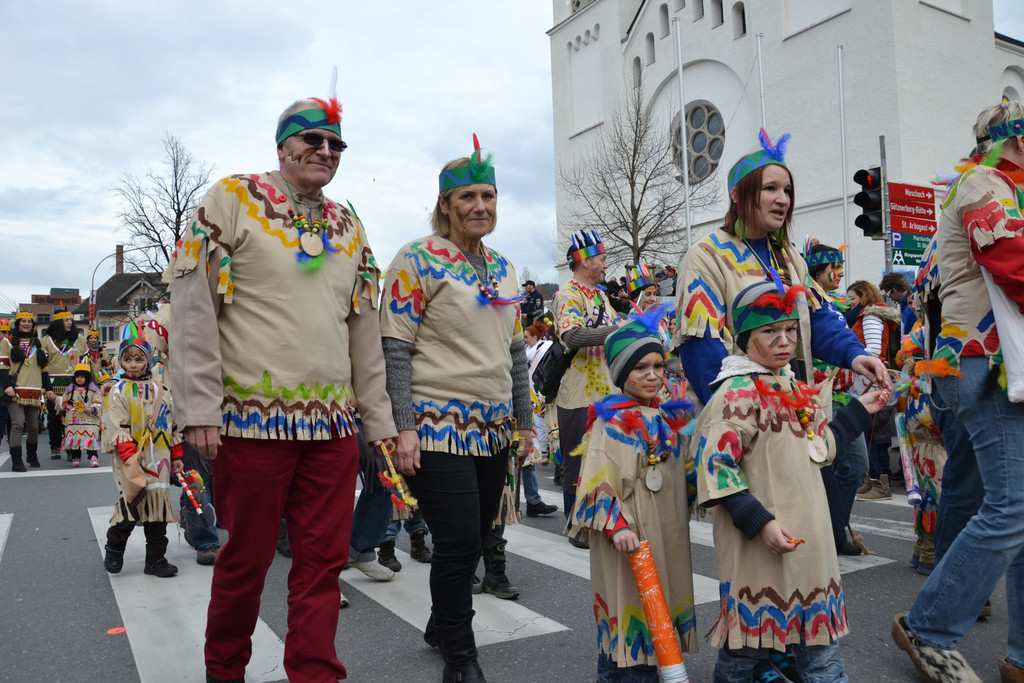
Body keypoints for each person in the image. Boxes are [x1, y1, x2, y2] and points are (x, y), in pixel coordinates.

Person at [167, 84, 396, 683]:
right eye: (312, 139)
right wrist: (199, 408)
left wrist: (380, 423)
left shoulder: (349, 224)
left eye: (336, 144)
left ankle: (315, 674)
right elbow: (192, 308)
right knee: (244, 563)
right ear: (282, 145)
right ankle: (225, 672)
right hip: (249, 424)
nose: (326, 150)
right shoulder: (232, 198)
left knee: (323, 567)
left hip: (333, 429)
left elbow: (364, 330)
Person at [381, 135, 532, 682]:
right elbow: (395, 348)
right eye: (467, 196)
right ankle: (461, 659)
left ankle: (440, 624)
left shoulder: (505, 267)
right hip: (435, 426)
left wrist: (524, 422)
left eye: (488, 196)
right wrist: (403, 428)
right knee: (459, 541)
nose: (480, 206)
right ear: (445, 204)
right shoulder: (416, 259)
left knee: (476, 538)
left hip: (492, 429)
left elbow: (516, 352)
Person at [893, 101, 1024, 683]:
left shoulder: (1003, 187)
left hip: (1000, 363)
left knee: (1018, 508)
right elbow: (1014, 262)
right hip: (985, 361)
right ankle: (929, 627)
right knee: (1010, 506)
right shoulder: (982, 183)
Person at [692, 281, 882, 682]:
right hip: (761, 548)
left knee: (822, 657)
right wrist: (760, 522)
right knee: (743, 656)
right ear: (746, 338)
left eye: (791, 330)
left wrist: (858, 413)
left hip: (809, 551)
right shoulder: (735, 394)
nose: (784, 341)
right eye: (770, 331)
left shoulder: (795, 388)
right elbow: (717, 467)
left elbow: (819, 448)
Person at [674, 129, 888, 411]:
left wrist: (855, 355)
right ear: (737, 194)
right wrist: (738, 415)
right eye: (770, 188)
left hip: (795, 414)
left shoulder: (788, 255)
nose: (783, 199)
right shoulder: (706, 256)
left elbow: (817, 319)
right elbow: (702, 351)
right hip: (740, 417)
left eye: (787, 190)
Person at [569, 313, 697, 681]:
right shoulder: (611, 423)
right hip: (630, 540)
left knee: (659, 614)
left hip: (667, 534)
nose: (653, 375)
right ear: (622, 372)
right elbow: (595, 479)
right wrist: (617, 527)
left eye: (658, 366)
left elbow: (687, 473)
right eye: (640, 368)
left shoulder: (669, 420)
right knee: (631, 623)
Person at [100, 322, 183, 579]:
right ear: (121, 362)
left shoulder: (162, 391)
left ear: (148, 360)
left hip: (160, 458)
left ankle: (156, 559)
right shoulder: (118, 391)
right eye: (128, 359)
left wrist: (177, 456)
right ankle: (115, 547)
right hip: (132, 458)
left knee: (157, 509)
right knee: (132, 503)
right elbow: (116, 423)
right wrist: (128, 456)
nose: (134, 364)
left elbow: (173, 424)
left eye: (139, 359)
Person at [552, 229, 619, 540]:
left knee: (603, 459)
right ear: (585, 262)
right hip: (578, 394)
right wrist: (617, 330)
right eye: (601, 259)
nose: (605, 265)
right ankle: (575, 524)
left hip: (607, 393)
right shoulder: (567, 295)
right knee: (577, 461)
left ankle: (599, 520)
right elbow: (572, 336)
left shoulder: (601, 296)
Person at [142, 305, 221, 567]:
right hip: (181, 409)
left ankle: (195, 521)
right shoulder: (171, 310)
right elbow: (150, 351)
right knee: (195, 475)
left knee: (205, 475)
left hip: (218, 404)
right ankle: (206, 540)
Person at [804, 241, 869, 556]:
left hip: (842, 395)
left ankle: (832, 531)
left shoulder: (833, 304)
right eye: (834, 267)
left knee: (852, 467)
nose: (840, 272)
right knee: (849, 465)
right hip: (820, 398)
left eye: (842, 266)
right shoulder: (808, 302)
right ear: (818, 271)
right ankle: (832, 534)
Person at [845, 279, 900, 502]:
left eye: (852, 298)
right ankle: (871, 480)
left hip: (869, 379)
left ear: (864, 296)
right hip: (869, 378)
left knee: (872, 432)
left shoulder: (869, 316)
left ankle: (879, 483)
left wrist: (850, 357)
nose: (848, 302)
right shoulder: (867, 316)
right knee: (871, 431)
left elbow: (874, 350)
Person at [0, 310, 50, 472]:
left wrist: (47, 388)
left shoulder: (37, 344)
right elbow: (2, 367)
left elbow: (44, 370)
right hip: (15, 390)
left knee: (34, 426)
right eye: (23, 321)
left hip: (34, 391)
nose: (26, 324)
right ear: (18, 323)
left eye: (29, 322)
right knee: (17, 424)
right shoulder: (7, 343)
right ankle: (16, 460)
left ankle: (31, 455)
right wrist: (6, 386)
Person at [41, 303, 87, 460]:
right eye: (66, 320)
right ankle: (55, 446)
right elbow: (42, 365)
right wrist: (45, 387)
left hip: (74, 384)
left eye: (70, 320)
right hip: (53, 385)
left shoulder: (79, 339)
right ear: (58, 322)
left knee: (73, 418)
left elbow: (86, 362)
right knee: (54, 419)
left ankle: (72, 448)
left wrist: (89, 384)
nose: (69, 322)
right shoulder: (47, 340)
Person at [522, 321, 558, 517]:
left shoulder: (536, 349)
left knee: (527, 458)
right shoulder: (525, 350)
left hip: (523, 404)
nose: (524, 340)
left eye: (527, 337)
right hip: (508, 405)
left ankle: (533, 500)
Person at [50, 362, 101, 467]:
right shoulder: (70, 390)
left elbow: (98, 402)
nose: (79, 379)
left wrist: (91, 409)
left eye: (82, 377)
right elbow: (64, 402)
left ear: (87, 377)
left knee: (90, 437)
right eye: (77, 377)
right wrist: (56, 399)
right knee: (75, 438)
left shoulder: (93, 390)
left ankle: (93, 456)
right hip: (74, 420)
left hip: (89, 420)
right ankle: (76, 456)